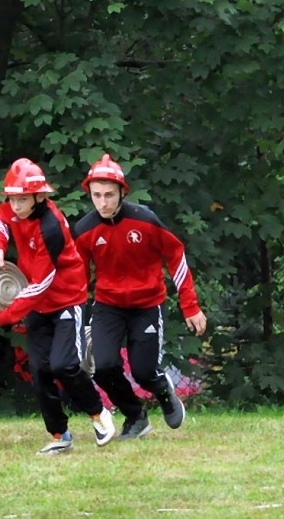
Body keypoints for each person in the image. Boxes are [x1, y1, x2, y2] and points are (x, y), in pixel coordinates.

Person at [0, 158, 116, 454]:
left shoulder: (50, 226)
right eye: (12, 198)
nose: (15, 205)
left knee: (64, 365)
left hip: (66, 299)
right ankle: (59, 435)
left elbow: (41, 284)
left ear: (40, 196)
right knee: (39, 371)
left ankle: (98, 414)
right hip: (37, 302)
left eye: (22, 199)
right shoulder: (12, 209)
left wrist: (1, 318)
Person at [70, 154, 206, 438]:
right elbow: (77, 277)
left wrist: (190, 305)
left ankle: (162, 390)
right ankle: (135, 416)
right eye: (96, 195)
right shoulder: (84, 230)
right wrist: (73, 315)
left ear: (122, 192)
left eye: (109, 194)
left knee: (144, 371)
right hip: (108, 305)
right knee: (103, 367)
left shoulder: (145, 220)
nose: (103, 202)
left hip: (147, 305)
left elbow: (176, 255)